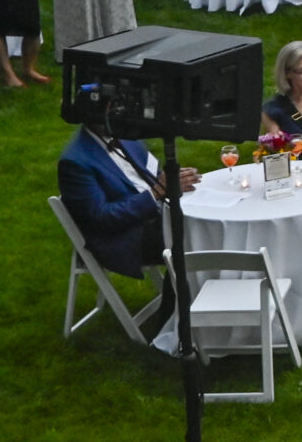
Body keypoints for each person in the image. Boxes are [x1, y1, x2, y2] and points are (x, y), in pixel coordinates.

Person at [57, 120, 198, 306]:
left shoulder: (126, 134)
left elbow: (151, 173)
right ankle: (179, 309)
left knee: (202, 221)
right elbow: (102, 218)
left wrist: (175, 180)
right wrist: (157, 191)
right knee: (191, 238)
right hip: (125, 237)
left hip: (154, 214)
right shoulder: (75, 161)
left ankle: (192, 301)